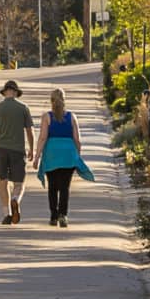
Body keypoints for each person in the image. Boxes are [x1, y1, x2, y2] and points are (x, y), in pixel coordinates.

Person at [36, 85, 95, 226]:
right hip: (68, 154)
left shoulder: (46, 117)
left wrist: (37, 155)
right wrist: (77, 156)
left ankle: (53, 216)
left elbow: (43, 138)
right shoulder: (72, 117)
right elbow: (77, 139)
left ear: (51, 101)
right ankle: (63, 215)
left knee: (52, 186)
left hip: (51, 154)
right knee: (64, 187)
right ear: (64, 100)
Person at [0, 77, 35, 223]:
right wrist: (32, 149)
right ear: (16, 92)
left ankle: (6, 213)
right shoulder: (23, 108)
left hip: (1, 150)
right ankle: (15, 199)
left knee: (3, 181)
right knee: (19, 183)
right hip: (17, 150)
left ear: (5, 92)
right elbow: (30, 130)